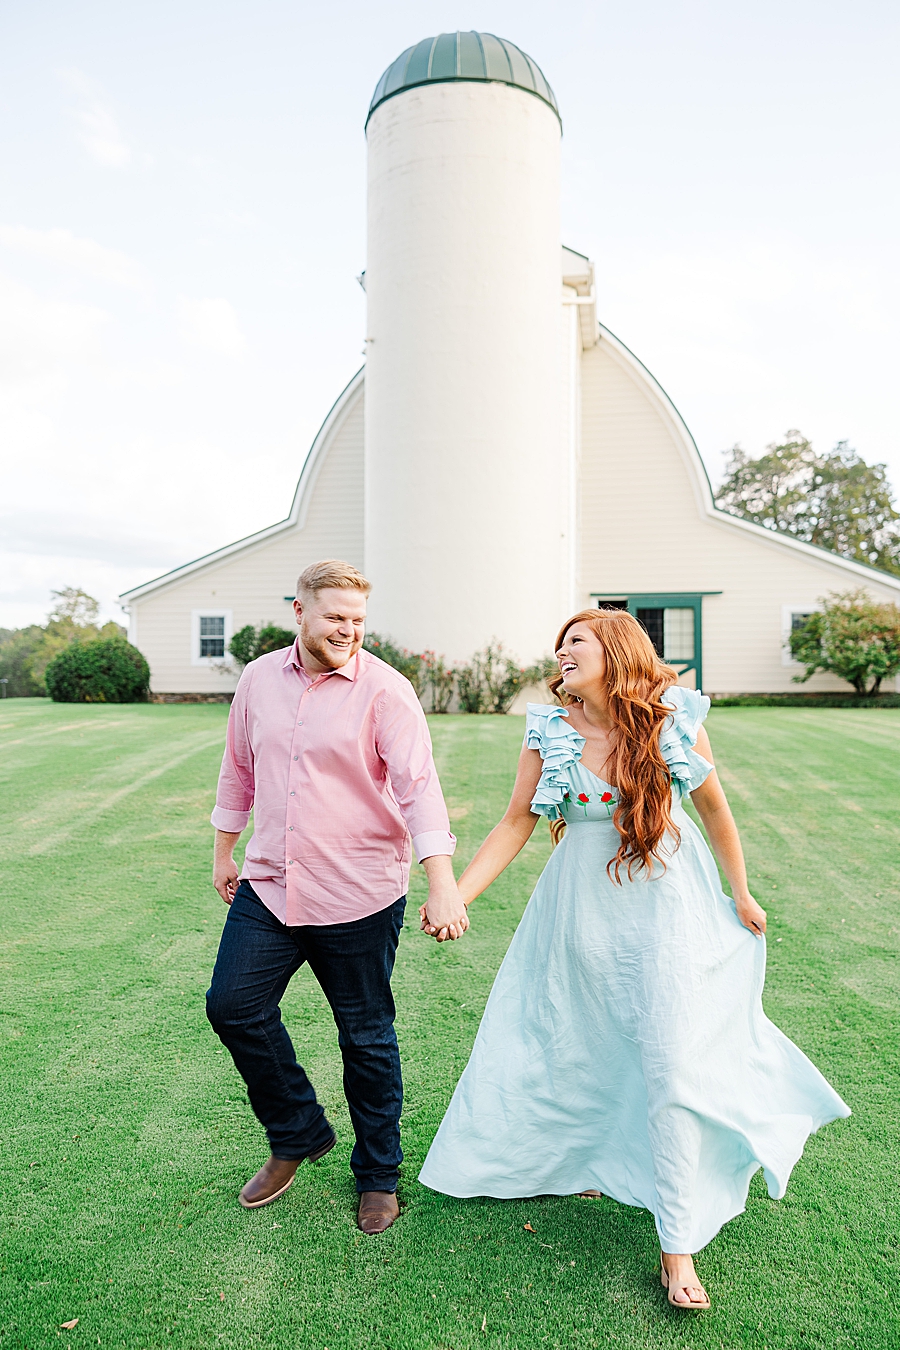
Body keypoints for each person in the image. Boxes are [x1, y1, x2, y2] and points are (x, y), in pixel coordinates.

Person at [419, 607, 849, 1308]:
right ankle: (589, 1160)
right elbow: (516, 821)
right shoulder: (549, 730)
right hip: (575, 921)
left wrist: (741, 893)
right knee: (576, 1048)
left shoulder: (672, 719)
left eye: (576, 641)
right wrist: (457, 896)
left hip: (669, 914)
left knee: (671, 1062)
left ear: (615, 650)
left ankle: (677, 1247)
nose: (561, 652)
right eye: (557, 643)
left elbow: (714, 812)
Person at [206, 559, 468, 1235]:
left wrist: (442, 882)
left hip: (359, 892)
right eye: (335, 619)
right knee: (232, 1005)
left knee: (365, 1036)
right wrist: (223, 851)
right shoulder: (260, 678)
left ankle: (378, 1174)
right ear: (299, 611)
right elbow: (238, 766)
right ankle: (295, 1130)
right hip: (270, 882)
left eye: (358, 621)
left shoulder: (386, 691)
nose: (348, 631)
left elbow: (419, 789)